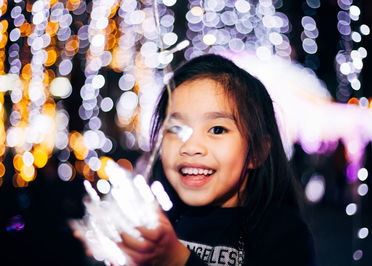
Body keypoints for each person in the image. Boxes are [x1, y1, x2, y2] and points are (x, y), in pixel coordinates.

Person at [117, 54, 316, 265]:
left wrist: (176, 259)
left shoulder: (283, 234)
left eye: (217, 129)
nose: (191, 147)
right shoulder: (155, 221)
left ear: (256, 151)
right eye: (176, 128)